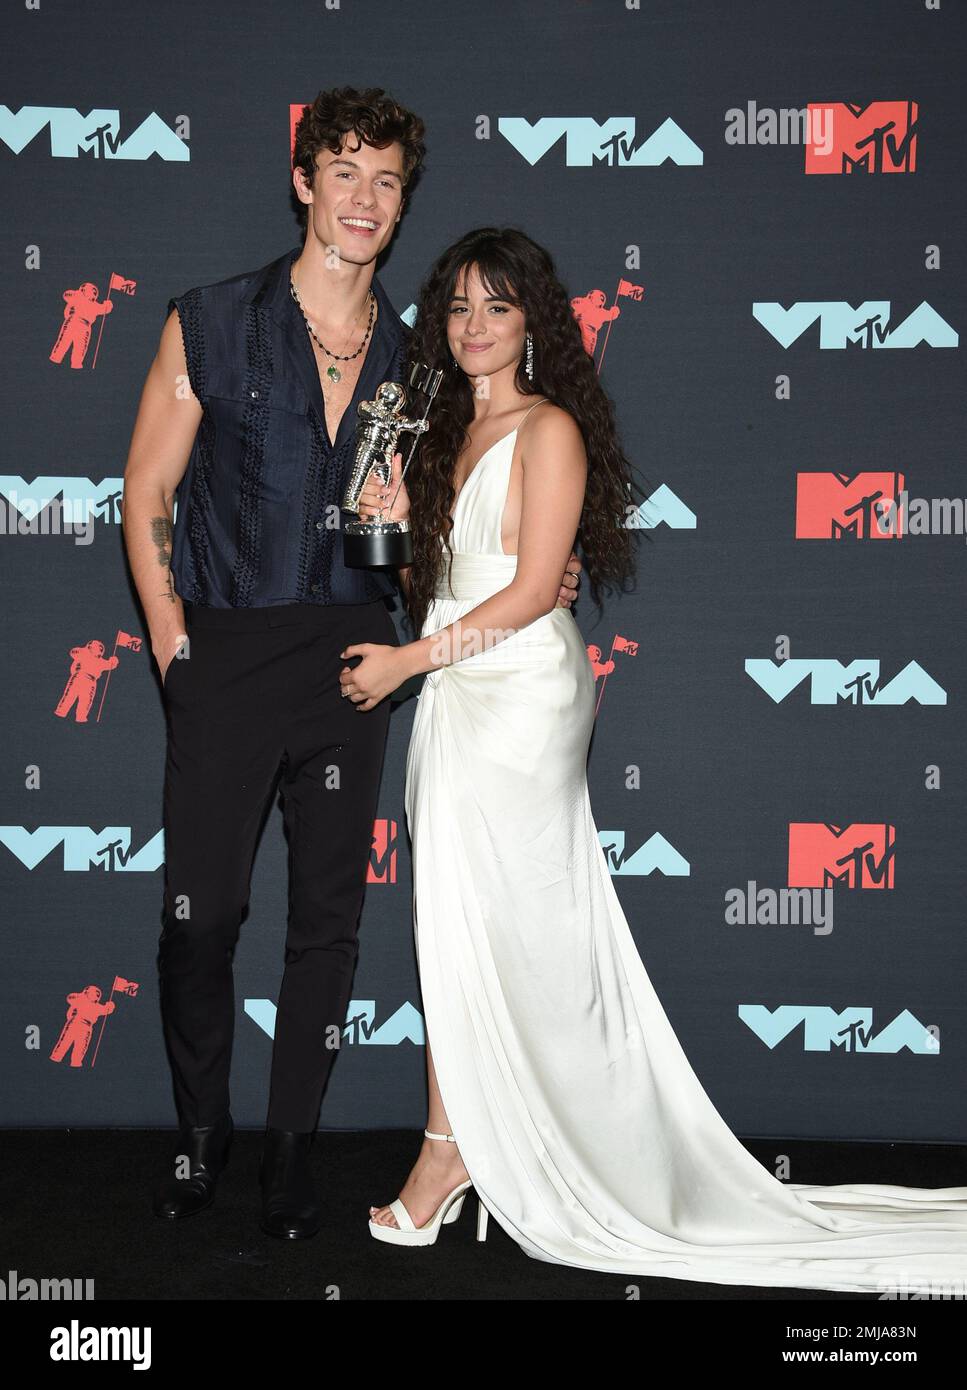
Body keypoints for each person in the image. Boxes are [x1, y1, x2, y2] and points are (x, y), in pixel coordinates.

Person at [341, 226, 967, 1293]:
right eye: (456, 308)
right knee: (455, 920)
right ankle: (460, 1145)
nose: (475, 326)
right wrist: (392, 531)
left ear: (534, 320)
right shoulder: (437, 434)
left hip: (518, 691)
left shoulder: (550, 430)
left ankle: (459, 1153)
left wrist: (407, 659)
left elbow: (537, 588)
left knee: (515, 924)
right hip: (454, 678)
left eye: (497, 306)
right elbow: (442, 583)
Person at [120, 87, 585, 1241]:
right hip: (224, 650)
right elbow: (145, 495)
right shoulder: (210, 322)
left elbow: (462, 516)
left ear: (400, 197)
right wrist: (176, 646)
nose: (366, 198)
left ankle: (290, 1149)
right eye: (344, 174)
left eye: (386, 179)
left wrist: (539, 573)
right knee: (202, 920)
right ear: (302, 183)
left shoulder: (421, 364)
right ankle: (200, 1133)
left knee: (327, 925)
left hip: (355, 657)